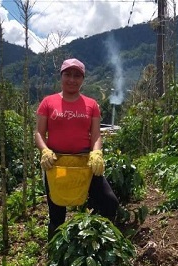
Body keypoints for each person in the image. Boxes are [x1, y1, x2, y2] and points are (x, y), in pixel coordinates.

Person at [34, 58, 119, 240]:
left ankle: (95, 240)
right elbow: (39, 133)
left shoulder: (91, 104)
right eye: (68, 74)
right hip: (57, 164)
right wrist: (44, 151)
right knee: (57, 214)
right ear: (61, 76)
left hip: (85, 164)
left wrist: (97, 153)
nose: (72, 79)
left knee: (109, 202)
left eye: (77, 76)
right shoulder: (48, 102)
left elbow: (96, 135)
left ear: (83, 79)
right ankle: (56, 258)